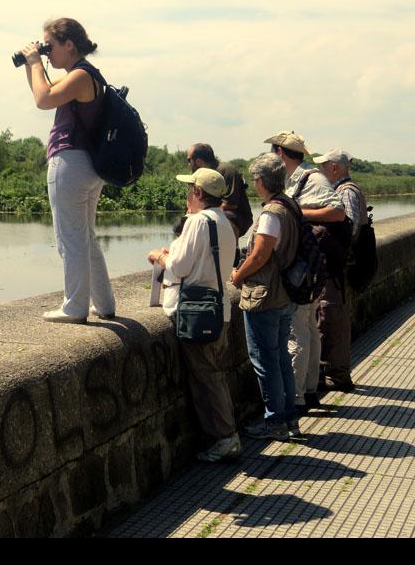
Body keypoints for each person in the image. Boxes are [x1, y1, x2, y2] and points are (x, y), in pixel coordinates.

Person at [20, 18, 115, 324]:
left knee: (70, 239)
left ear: (69, 44)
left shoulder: (80, 75)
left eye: (49, 46)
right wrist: (31, 65)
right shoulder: (89, 74)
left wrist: (35, 62)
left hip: (70, 163)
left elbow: (43, 99)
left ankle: (74, 307)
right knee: (86, 237)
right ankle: (104, 304)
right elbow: (44, 91)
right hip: (89, 165)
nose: (46, 52)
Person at [148, 168, 240, 462]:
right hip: (218, 308)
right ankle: (223, 436)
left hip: (196, 311)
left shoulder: (198, 221)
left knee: (208, 378)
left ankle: (225, 438)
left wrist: (161, 256)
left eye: (190, 190)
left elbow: (179, 267)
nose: (187, 195)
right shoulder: (225, 221)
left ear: (199, 193)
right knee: (212, 374)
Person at [264, 131, 346, 413]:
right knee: (308, 328)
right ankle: (309, 390)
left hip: (307, 268)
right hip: (307, 266)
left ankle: (297, 397)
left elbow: (338, 212)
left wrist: (297, 213)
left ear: (280, 153)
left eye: (273, 152)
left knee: (297, 330)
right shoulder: (294, 178)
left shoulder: (312, 178)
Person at [231, 154, 300, 441]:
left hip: (265, 295)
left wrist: (238, 276)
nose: (253, 184)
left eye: (253, 180)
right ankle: (289, 418)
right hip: (284, 294)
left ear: (261, 181)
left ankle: (275, 423)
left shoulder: (271, 213)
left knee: (266, 362)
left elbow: (260, 254)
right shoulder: (290, 205)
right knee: (281, 358)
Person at [313, 148, 368, 391]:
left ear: (334, 167)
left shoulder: (345, 192)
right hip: (341, 267)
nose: (320, 171)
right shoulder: (345, 190)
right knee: (334, 318)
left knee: (333, 319)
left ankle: (337, 376)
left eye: (323, 166)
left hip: (340, 268)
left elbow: (349, 229)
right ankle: (336, 373)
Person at [186, 143, 253, 244]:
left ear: (198, 161)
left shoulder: (227, 170)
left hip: (235, 216)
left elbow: (231, 204)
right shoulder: (197, 175)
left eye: (189, 160)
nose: (188, 164)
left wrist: (203, 215)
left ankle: (233, 251)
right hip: (210, 212)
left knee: (223, 218)